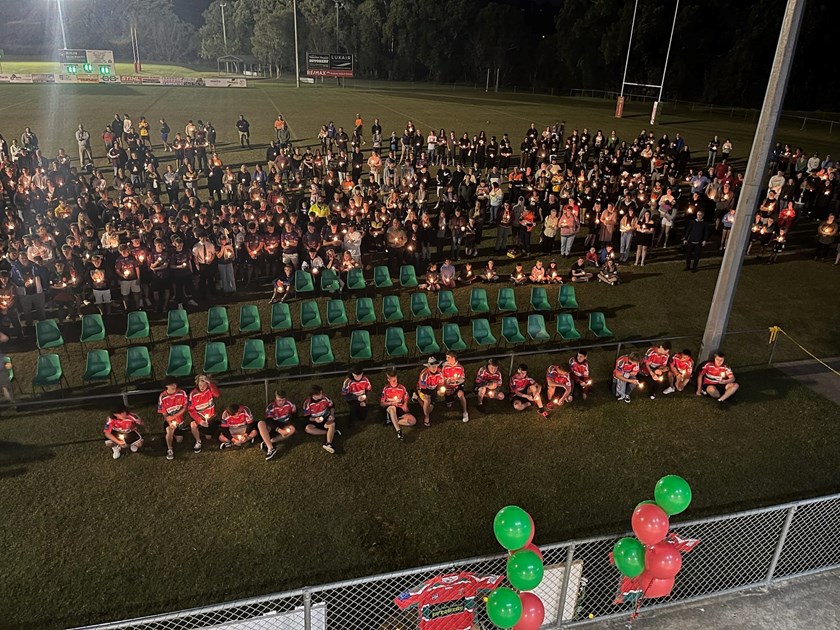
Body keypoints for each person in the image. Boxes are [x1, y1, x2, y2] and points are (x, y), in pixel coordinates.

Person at [158, 376, 197, 460]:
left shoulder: (181, 393)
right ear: (166, 386)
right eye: (171, 384)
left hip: (180, 421)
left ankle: (173, 435)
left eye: (175, 384)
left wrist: (174, 416)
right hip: (170, 421)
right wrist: (169, 421)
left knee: (179, 440)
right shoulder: (162, 396)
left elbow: (185, 407)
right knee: (170, 431)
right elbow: (164, 413)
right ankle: (170, 449)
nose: (174, 386)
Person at [259, 389, 297, 461]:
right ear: (275, 399)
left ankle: (268, 442)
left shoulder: (290, 404)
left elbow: (294, 415)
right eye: (279, 400)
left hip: (285, 423)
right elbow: (269, 420)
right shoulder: (271, 407)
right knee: (261, 423)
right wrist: (279, 430)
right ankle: (271, 448)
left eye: (283, 400)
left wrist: (290, 424)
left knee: (292, 429)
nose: (281, 402)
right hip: (274, 424)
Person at [380, 368, 416, 440]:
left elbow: (406, 398)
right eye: (392, 380)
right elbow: (382, 404)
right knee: (392, 408)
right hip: (390, 409)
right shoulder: (386, 389)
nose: (394, 382)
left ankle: (392, 421)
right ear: (388, 380)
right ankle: (398, 431)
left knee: (413, 421)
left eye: (395, 380)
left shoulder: (402, 388)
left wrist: (405, 405)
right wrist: (391, 403)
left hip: (399, 408)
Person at [302, 385, 339, 453]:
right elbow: (306, 417)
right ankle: (330, 432)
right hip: (315, 421)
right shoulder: (307, 403)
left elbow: (332, 406)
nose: (322, 395)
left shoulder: (325, 398)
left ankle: (329, 444)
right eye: (320, 394)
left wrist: (332, 415)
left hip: (325, 418)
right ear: (314, 396)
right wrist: (315, 419)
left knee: (332, 424)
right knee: (308, 429)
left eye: (321, 393)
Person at [188, 374, 220, 444]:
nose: (202, 387)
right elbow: (191, 410)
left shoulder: (210, 390)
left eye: (204, 385)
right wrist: (199, 421)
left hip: (210, 417)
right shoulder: (193, 394)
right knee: (193, 425)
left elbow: (217, 394)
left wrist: (210, 383)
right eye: (200, 385)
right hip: (199, 417)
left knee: (208, 437)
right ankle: (198, 441)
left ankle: (208, 429)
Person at [417, 356, 446, 427]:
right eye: (432, 366)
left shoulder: (440, 373)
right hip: (423, 390)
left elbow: (441, 384)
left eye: (435, 366)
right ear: (428, 367)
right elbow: (423, 388)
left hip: (433, 390)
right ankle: (426, 419)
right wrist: (428, 395)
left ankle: (416, 398)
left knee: (429, 410)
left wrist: (440, 391)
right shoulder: (424, 374)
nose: (434, 368)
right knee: (427, 401)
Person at [442, 351, 470, 423]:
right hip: (448, 387)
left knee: (461, 395)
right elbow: (442, 378)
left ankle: (465, 412)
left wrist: (456, 381)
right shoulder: (445, 367)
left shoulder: (460, 367)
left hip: (457, 386)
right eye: (446, 357)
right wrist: (448, 380)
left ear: (453, 358)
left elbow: (462, 378)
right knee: (448, 402)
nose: (446, 359)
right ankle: (450, 400)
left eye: (448, 357)